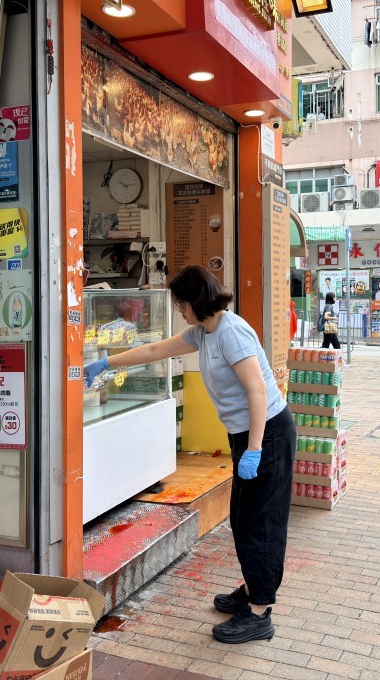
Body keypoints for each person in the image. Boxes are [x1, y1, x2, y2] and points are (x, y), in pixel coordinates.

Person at [83, 266, 295, 642]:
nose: (179, 310)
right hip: (246, 435)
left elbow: (258, 391)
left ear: (196, 300)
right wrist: (105, 363)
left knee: (261, 523)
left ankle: (260, 612)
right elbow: (155, 349)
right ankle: (252, 588)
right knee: (243, 519)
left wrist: (255, 450)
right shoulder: (203, 332)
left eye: (181, 304)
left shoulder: (231, 333)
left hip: (268, 435)